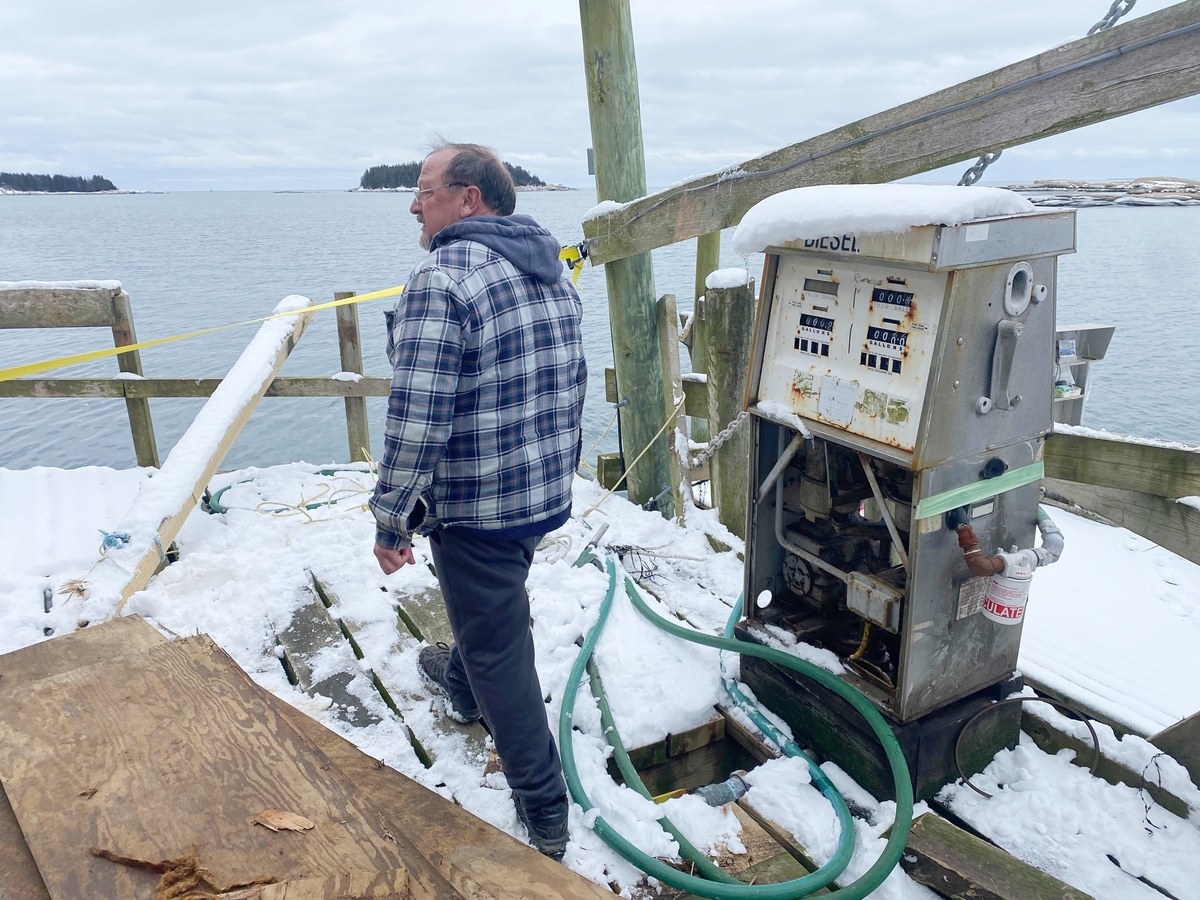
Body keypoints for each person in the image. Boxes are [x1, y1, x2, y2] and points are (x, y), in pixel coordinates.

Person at [369, 140, 586, 861]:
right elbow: (572, 381)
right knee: (489, 609)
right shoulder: (549, 269)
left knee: (499, 648)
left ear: (469, 198)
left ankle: (544, 806)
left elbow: (416, 418)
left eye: (424, 190)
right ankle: (461, 686)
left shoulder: (442, 278)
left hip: (477, 505)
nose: (413, 206)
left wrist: (392, 517)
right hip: (538, 491)